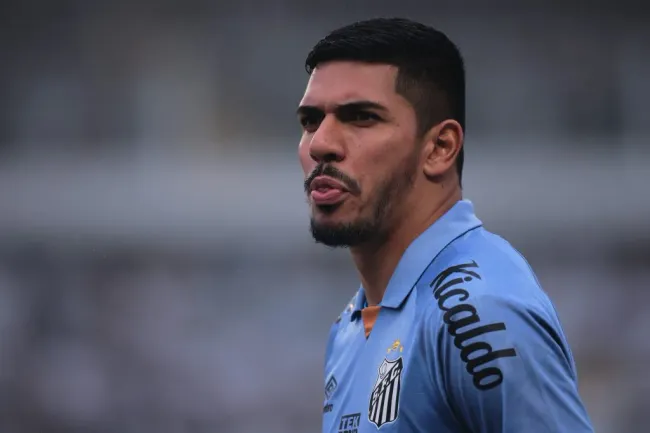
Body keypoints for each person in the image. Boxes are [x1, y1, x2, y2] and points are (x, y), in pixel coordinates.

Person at [296, 17, 595, 433]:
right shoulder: (351, 325)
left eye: (361, 117)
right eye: (310, 121)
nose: (320, 143)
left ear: (440, 147)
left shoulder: (479, 310)